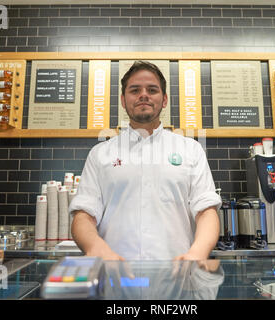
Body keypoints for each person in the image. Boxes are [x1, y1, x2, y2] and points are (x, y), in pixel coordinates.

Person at [69, 61, 221, 261]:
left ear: (164, 100)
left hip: (177, 280)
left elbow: (206, 211)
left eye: (152, 90)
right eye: (134, 90)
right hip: (114, 279)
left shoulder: (191, 150)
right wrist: (97, 249)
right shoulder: (100, 153)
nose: (143, 95)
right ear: (123, 100)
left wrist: (197, 254)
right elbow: (83, 215)